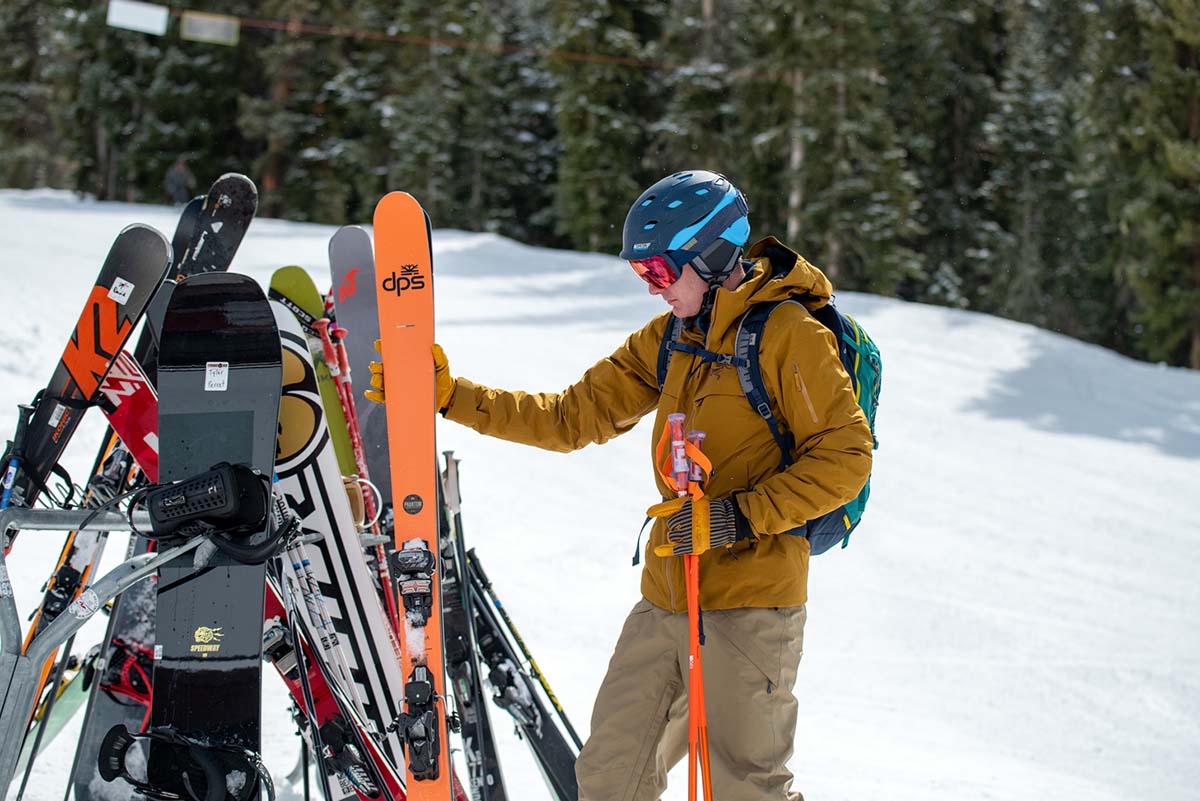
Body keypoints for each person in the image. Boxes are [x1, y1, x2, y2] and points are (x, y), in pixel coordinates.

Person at [371, 170, 873, 800]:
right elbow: (567, 417)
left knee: (745, 788)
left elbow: (847, 456)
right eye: (643, 276)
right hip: (667, 597)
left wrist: (736, 517)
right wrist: (450, 397)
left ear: (713, 254)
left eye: (661, 273)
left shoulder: (788, 335)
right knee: (610, 778)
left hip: (753, 604)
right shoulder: (672, 340)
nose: (654, 290)